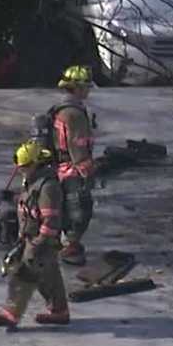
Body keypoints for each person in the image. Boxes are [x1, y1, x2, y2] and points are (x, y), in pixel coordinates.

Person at [0, 140, 70, 327]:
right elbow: (30, 202)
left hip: (41, 240)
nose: (20, 170)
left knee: (23, 274)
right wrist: (13, 198)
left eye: (24, 167)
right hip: (30, 238)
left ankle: (11, 314)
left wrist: (38, 243)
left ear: (36, 163)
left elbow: (51, 220)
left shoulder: (48, 187)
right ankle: (60, 312)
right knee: (48, 277)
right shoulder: (33, 182)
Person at [51, 65, 97, 266]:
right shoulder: (74, 114)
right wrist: (87, 171)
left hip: (59, 167)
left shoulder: (60, 109)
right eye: (86, 86)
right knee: (80, 209)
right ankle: (70, 246)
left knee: (65, 206)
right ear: (76, 88)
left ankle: (64, 243)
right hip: (71, 169)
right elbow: (77, 145)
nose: (88, 90)